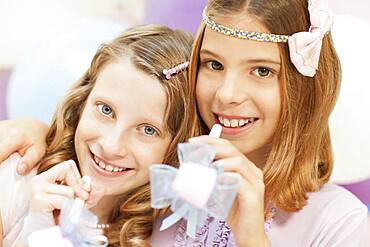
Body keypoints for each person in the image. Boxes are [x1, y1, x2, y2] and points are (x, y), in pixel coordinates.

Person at [1, 0, 368, 246]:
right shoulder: (161, 185)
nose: (227, 94)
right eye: (213, 64)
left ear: (304, 86)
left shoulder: (341, 224)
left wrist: (251, 236)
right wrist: (44, 134)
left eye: (261, 70)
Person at [0, 24, 199, 247]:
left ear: (178, 146)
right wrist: (32, 228)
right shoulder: (12, 181)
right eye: (106, 110)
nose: (111, 145)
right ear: (82, 101)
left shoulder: (173, 233)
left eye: (148, 130)